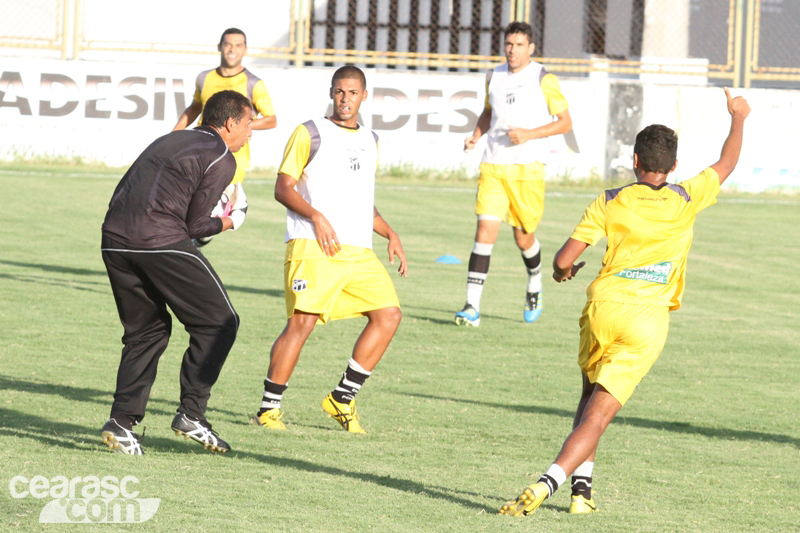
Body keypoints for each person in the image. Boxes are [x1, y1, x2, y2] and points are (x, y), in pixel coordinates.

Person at [499, 87, 750, 516]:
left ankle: (582, 494)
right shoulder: (686, 197)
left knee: (588, 396)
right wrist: (738, 116)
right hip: (647, 319)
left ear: (635, 161)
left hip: (603, 307)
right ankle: (548, 483)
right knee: (600, 413)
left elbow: (563, 260)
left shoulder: (609, 200)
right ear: (673, 167)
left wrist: (562, 273)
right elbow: (726, 163)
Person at [100, 90, 254, 455]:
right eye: (248, 124)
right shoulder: (223, 156)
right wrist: (231, 220)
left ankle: (121, 422)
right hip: (158, 241)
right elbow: (196, 226)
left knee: (147, 332)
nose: (251, 132)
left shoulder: (169, 139)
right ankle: (192, 414)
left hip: (114, 240)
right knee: (220, 323)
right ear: (230, 122)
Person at [255, 65, 407, 434]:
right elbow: (283, 188)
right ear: (331, 93)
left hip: (358, 250)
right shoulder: (310, 132)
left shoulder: (371, 139)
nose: (345, 99)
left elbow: (359, 198)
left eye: (352, 93)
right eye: (339, 91)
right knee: (301, 324)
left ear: (364, 96)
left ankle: (342, 397)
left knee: (388, 315)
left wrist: (389, 232)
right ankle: (268, 409)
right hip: (314, 245)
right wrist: (316, 216)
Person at [455, 21, 572, 327]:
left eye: (519, 45)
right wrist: (476, 135)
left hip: (527, 170)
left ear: (530, 48)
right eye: (508, 44)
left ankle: (535, 281)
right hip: (493, 166)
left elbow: (565, 123)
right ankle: (471, 306)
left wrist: (529, 134)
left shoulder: (544, 78)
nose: (512, 50)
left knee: (523, 238)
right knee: (484, 232)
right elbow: (489, 112)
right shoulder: (493, 76)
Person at [173, 27, 277, 246]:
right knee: (185, 203)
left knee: (207, 209)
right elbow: (195, 107)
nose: (232, 50)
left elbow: (271, 119)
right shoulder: (204, 78)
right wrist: (175, 135)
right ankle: (189, 242)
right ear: (220, 47)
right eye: (228, 44)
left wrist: (239, 126)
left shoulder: (253, 83)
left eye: (238, 45)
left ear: (245, 50)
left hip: (232, 158)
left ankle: (198, 239)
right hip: (199, 151)